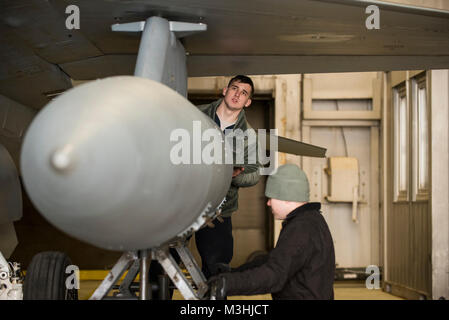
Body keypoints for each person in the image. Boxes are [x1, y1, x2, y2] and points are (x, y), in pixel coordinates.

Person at [208, 163, 336, 300]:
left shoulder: (301, 229)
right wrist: (233, 273)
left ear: (286, 198)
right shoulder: (312, 220)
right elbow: (276, 260)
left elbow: (273, 275)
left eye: (271, 198)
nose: (268, 203)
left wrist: (227, 284)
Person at [195, 75, 261, 278]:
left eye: (243, 93)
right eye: (234, 88)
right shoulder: (195, 116)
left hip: (219, 211)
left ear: (247, 102)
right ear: (225, 90)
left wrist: (234, 176)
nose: (237, 94)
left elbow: (255, 174)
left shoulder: (248, 135)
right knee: (162, 263)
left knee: (217, 268)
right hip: (184, 202)